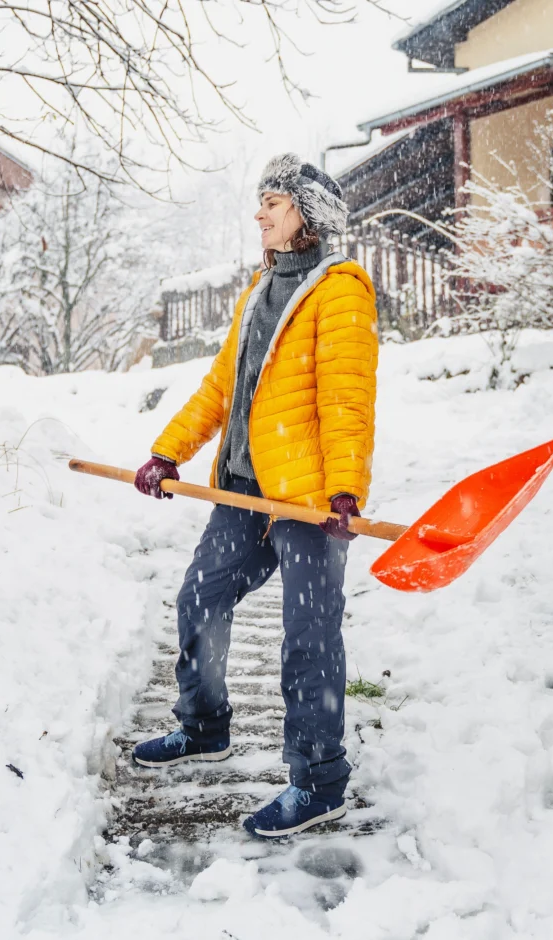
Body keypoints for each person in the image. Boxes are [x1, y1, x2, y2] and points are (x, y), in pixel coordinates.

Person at [131, 154, 378, 839]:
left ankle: (318, 777)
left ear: (306, 214)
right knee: (199, 598)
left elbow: (347, 400)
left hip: (307, 500)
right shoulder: (259, 289)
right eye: (261, 200)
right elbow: (221, 387)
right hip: (243, 489)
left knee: (308, 638)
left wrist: (344, 490)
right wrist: (167, 450)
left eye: (273, 201)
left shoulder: (340, 290)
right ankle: (204, 725)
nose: (260, 212)